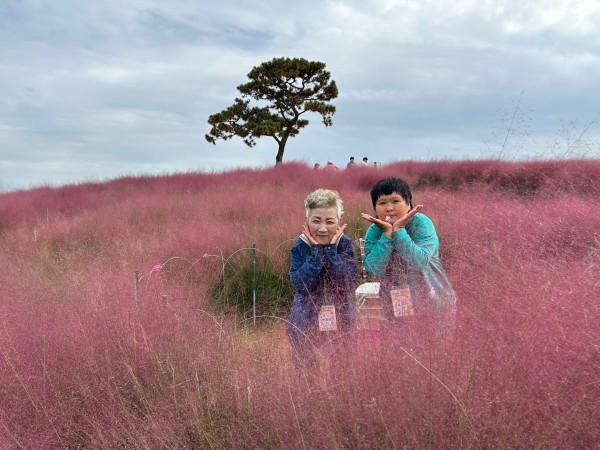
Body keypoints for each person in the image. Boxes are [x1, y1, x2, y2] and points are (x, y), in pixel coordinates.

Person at [360, 176, 456, 340]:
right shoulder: (375, 231)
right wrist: (387, 234)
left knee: (434, 354)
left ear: (409, 203)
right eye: (382, 203)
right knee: (401, 352)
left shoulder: (421, 223)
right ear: (375, 208)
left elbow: (419, 262)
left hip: (434, 302)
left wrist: (399, 230)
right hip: (395, 305)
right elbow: (374, 268)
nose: (389, 208)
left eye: (395, 201)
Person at [287, 189, 357, 369]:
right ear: (307, 222)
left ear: (339, 222)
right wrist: (317, 251)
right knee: (306, 370)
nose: (323, 228)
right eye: (316, 221)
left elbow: (347, 282)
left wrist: (332, 252)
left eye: (330, 221)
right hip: (305, 321)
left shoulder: (345, 244)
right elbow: (301, 283)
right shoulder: (300, 246)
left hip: (342, 319)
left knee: (342, 368)